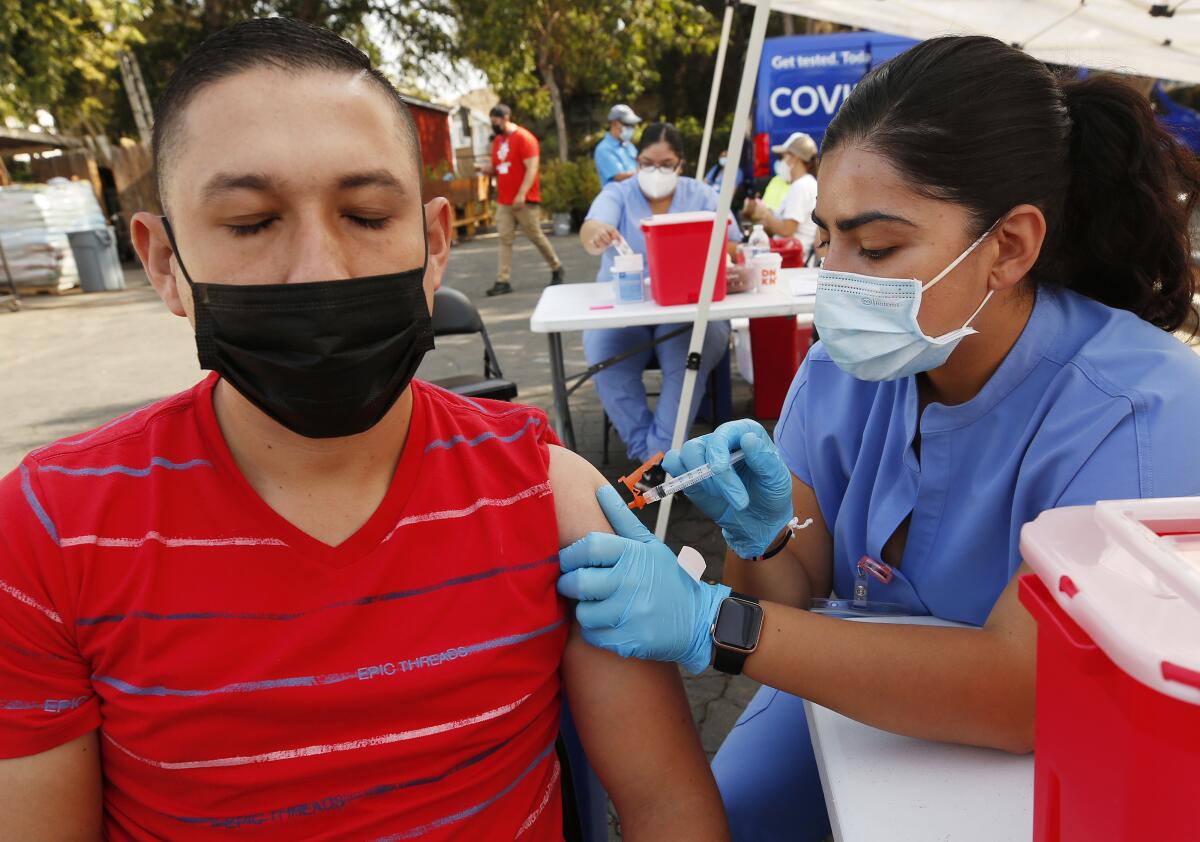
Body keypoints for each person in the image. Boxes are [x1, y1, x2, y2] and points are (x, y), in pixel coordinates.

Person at [0, 19, 730, 841]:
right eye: (249, 223)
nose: (320, 268)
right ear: (166, 264)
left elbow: (669, 809)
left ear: (434, 245)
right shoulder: (49, 537)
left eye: (369, 214)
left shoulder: (550, 498)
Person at [556, 36, 1200, 842]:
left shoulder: (1140, 410)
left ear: (1009, 245)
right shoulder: (842, 371)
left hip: (1033, 771)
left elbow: (1022, 692)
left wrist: (710, 623)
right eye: (829, 238)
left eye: (879, 246)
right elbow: (787, 590)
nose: (838, 279)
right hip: (842, 711)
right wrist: (758, 536)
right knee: (733, 819)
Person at [578, 123, 743, 485]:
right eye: (646, 162)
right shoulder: (618, 193)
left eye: (665, 164)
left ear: (680, 164)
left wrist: (712, 246)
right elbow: (590, 229)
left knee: (687, 359)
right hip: (625, 310)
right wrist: (598, 235)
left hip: (689, 308)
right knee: (605, 357)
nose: (655, 171)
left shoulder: (701, 194)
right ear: (636, 161)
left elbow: (733, 243)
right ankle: (649, 456)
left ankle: (659, 461)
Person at [477, 104, 563, 297]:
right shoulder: (498, 141)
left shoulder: (524, 138)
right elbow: (501, 166)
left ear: (506, 117)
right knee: (504, 239)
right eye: (492, 122)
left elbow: (532, 168)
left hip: (523, 200)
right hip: (504, 200)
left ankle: (556, 267)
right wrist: (489, 169)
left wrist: (522, 194)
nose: (494, 125)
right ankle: (502, 280)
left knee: (535, 236)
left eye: (496, 121)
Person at [744, 131, 820, 258]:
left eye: (784, 157)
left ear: (794, 158)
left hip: (792, 261)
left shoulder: (801, 186)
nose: (782, 162)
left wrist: (765, 214)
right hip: (790, 257)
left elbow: (787, 230)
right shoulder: (804, 184)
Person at [594, 103, 641, 186]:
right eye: (627, 124)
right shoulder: (604, 149)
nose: (631, 128)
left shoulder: (629, 146)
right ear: (614, 123)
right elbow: (619, 177)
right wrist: (646, 173)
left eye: (632, 125)